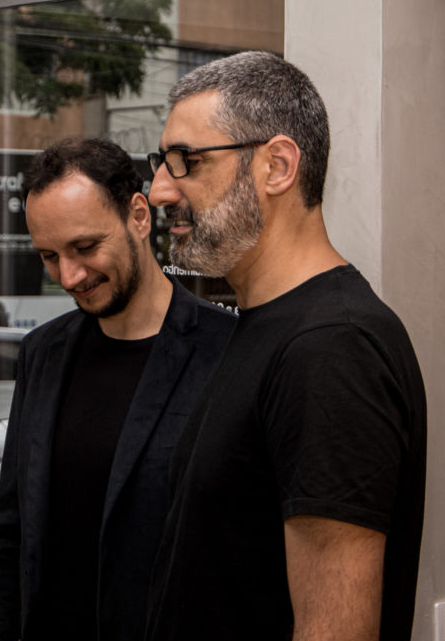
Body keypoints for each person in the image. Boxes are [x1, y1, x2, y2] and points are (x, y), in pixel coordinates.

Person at [144, 51, 426, 641]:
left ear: (277, 166)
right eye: (161, 163)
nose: (160, 191)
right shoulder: (263, 327)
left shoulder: (332, 348)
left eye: (185, 162)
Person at [0, 137, 235, 641]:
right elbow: (12, 536)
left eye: (85, 247)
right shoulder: (42, 353)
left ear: (138, 216)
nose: (69, 276)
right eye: (49, 256)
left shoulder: (228, 351)